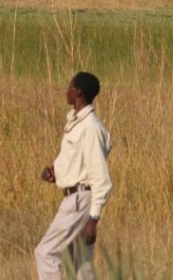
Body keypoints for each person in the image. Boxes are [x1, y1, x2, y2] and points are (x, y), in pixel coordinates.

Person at [35, 72, 113, 280]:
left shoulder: (90, 127)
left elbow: (101, 180)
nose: (66, 91)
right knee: (80, 266)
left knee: (45, 253)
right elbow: (79, 162)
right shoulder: (77, 123)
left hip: (80, 201)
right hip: (76, 197)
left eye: (69, 87)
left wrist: (93, 219)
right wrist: (55, 172)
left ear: (78, 92)